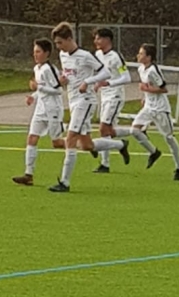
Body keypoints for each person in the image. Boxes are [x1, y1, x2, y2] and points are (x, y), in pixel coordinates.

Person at [47, 22, 129, 193]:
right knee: (86, 145)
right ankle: (120, 144)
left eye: (60, 42)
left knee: (70, 137)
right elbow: (68, 74)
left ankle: (64, 182)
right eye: (56, 43)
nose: (58, 46)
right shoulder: (63, 55)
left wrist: (88, 81)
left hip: (85, 101)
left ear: (69, 39)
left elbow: (105, 73)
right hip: (73, 100)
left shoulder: (85, 56)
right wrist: (62, 79)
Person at [12, 38, 66, 186]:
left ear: (46, 53)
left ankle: (87, 145)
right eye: (34, 51)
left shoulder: (50, 69)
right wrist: (33, 96)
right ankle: (28, 175)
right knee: (32, 138)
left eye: (38, 51)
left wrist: (38, 88)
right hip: (40, 109)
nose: (35, 54)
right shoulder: (37, 69)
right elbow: (42, 90)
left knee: (57, 143)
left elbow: (58, 90)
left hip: (53, 109)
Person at [128, 43, 179, 180]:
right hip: (148, 107)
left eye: (141, 53)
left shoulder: (153, 70)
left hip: (160, 109)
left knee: (169, 138)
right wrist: (145, 97)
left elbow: (163, 89)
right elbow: (147, 86)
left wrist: (147, 90)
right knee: (134, 130)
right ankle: (154, 152)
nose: (138, 55)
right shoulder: (141, 69)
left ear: (149, 57)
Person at [91, 27, 131, 174]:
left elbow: (127, 77)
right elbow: (98, 73)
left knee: (103, 128)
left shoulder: (116, 57)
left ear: (107, 39)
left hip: (115, 96)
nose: (96, 41)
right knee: (107, 131)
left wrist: (109, 83)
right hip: (104, 96)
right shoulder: (97, 55)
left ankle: (120, 144)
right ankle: (105, 164)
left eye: (98, 38)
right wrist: (95, 83)